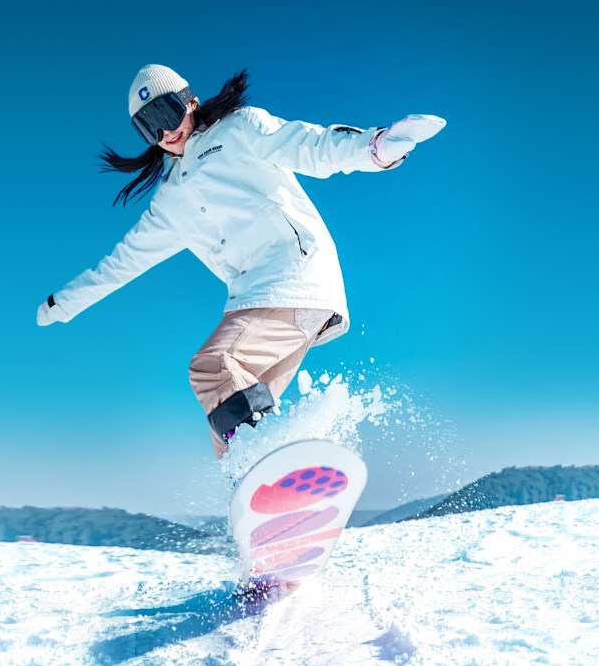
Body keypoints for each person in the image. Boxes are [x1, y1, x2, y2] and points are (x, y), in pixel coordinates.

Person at [37, 64, 446, 458]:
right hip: (262, 301)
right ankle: (257, 496)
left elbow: (312, 145)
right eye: (149, 127)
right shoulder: (170, 201)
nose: (164, 132)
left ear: (189, 101)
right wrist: (64, 304)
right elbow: (122, 263)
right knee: (228, 426)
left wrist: (375, 148)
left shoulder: (239, 129)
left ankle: (275, 463)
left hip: (294, 277)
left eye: (166, 113)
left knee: (214, 367)